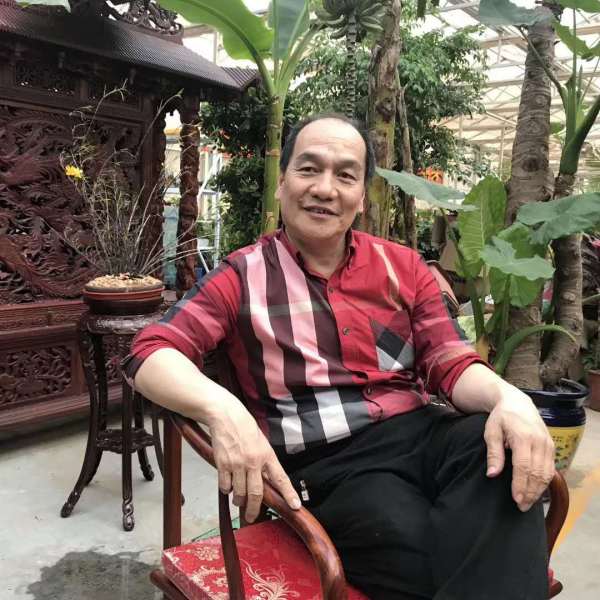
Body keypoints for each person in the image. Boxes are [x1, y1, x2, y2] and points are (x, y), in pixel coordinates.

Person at [125, 114, 555, 600]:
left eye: (345, 175)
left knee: (499, 452)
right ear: (283, 182)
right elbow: (149, 353)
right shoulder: (241, 277)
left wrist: (509, 397)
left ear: (362, 196)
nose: (325, 189)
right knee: (445, 548)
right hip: (333, 466)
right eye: (309, 169)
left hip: (422, 432)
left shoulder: (403, 266)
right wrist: (223, 409)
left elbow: (449, 361)